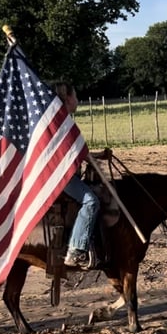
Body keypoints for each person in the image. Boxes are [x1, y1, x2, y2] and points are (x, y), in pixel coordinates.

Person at [52, 82, 111, 269]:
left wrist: (99, 156)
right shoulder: (64, 123)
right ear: (68, 98)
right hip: (63, 178)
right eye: (75, 95)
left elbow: (78, 153)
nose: (78, 99)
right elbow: (79, 154)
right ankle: (75, 250)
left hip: (63, 174)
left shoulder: (58, 120)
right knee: (91, 202)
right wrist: (92, 159)